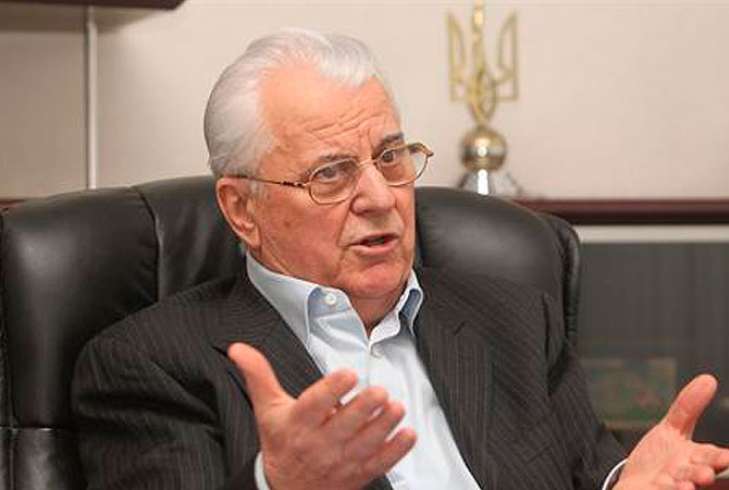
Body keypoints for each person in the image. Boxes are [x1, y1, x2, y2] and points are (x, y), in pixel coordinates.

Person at [72, 29, 729, 490]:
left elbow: (592, 474)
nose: (382, 197)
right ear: (243, 209)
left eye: (390, 157)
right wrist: (280, 485)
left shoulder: (515, 322)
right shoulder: (151, 363)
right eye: (331, 174)